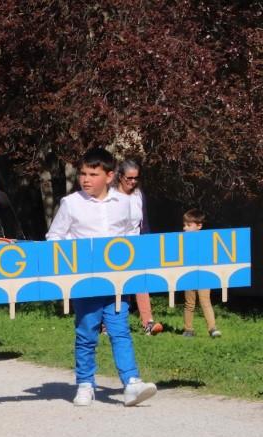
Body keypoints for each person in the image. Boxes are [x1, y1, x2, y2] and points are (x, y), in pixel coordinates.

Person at [46, 147, 157, 407]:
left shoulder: (125, 203)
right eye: (83, 173)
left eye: (92, 174)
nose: (85, 179)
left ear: (109, 176)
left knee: (120, 331)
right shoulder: (71, 204)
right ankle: (85, 383)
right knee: (87, 332)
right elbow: (54, 238)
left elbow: (132, 234)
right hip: (85, 282)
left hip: (117, 281)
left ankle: (131, 382)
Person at [116, 158, 163, 335]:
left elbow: (144, 222)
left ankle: (148, 323)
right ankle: (111, 323)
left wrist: (148, 244)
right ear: (120, 176)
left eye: (136, 178)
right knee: (119, 286)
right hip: (115, 246)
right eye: (129, 178)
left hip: (136, 244)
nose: (133, 182)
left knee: (140, 282)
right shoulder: (110, 195)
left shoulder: (138, 195)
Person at [181, 209, 222, 338]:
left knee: (205, 301)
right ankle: (188, 329)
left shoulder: (207, 239)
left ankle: (212, 328)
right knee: (189, 303)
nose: (184, 228)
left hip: (204, 274)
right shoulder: (181, 240)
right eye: (184, 225)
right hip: (188, 275)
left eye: (188, 225)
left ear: (199, 226)